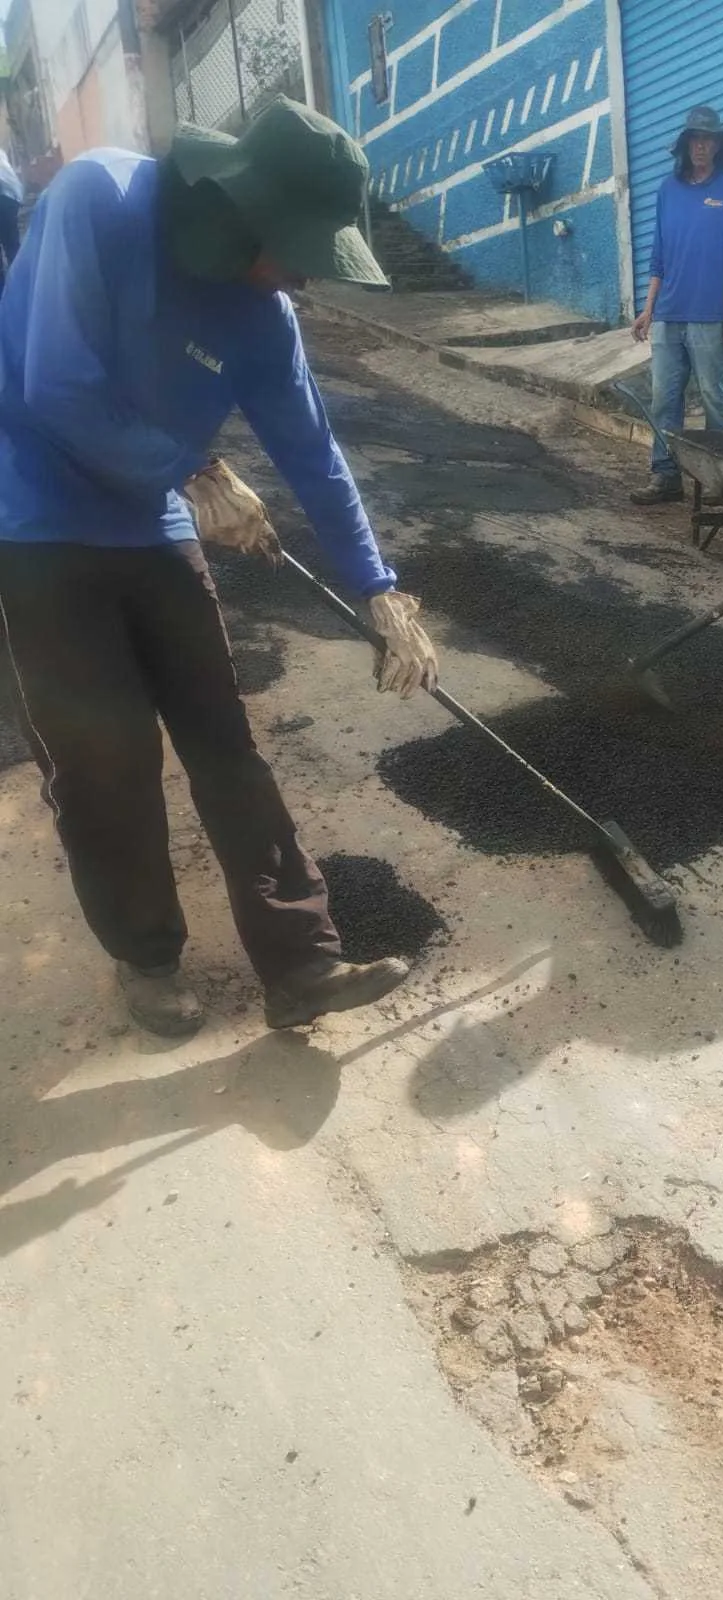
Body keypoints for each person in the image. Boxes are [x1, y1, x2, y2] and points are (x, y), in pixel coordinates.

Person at [0, 97, 440, 1038]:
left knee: (222, 742)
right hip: (35, 518)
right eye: (296, 250)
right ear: (239, 212)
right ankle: (148, 956)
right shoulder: (100, 200)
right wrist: (195, 470)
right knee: (106, 756)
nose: (302, 279)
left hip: (155, 518)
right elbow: (56, 384)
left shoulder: (264, 315)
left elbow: (313, 453)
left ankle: (302, 965)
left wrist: (380, 588)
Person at [629, 105, 723, 505]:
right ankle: (665, 477)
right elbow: (658, 256)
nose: (702, 146)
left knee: (715, 397)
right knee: (665, 398)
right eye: (696, 139)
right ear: (686, 144)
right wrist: (648, 309)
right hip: (668, 314)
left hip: (710, 315)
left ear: (718, 144)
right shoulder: (668, 189)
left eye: (709, 139)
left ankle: (718, 480)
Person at [0, 147, 24, 292]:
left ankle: (6, 290)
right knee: (12, 246)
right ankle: (21, 284)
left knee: (12, 245)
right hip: (9, 199)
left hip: (6, 198)